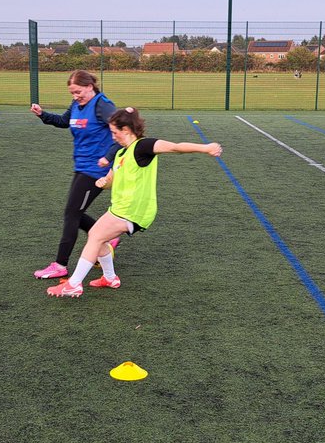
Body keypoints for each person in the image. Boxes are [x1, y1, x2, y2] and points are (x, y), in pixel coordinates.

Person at [47, 106, 223, 298]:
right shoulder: (121, 154)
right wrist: (104, 182)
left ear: (126, 130)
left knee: (95, 235)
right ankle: (110, 278)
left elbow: (174, 147)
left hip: (133, 211)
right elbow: (111, 180)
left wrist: (206, 148)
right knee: (100, 238)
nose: (112, 137)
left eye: (114, 132)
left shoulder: (143, 147)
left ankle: (73, 285)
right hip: (120, 209)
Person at [30, 69, 119, 280]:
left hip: (97, 171)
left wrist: (108, 156)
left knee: (71, 213)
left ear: (90, 86)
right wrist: (42, 114)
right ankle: (108, 238)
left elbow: (121, 130)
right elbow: (63, 121)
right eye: (72, 93)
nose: (75, 96)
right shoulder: (77, 105)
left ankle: (60, 264)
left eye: (78, 91)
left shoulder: (102, 104)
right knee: (74, 213)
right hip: (81, 166)